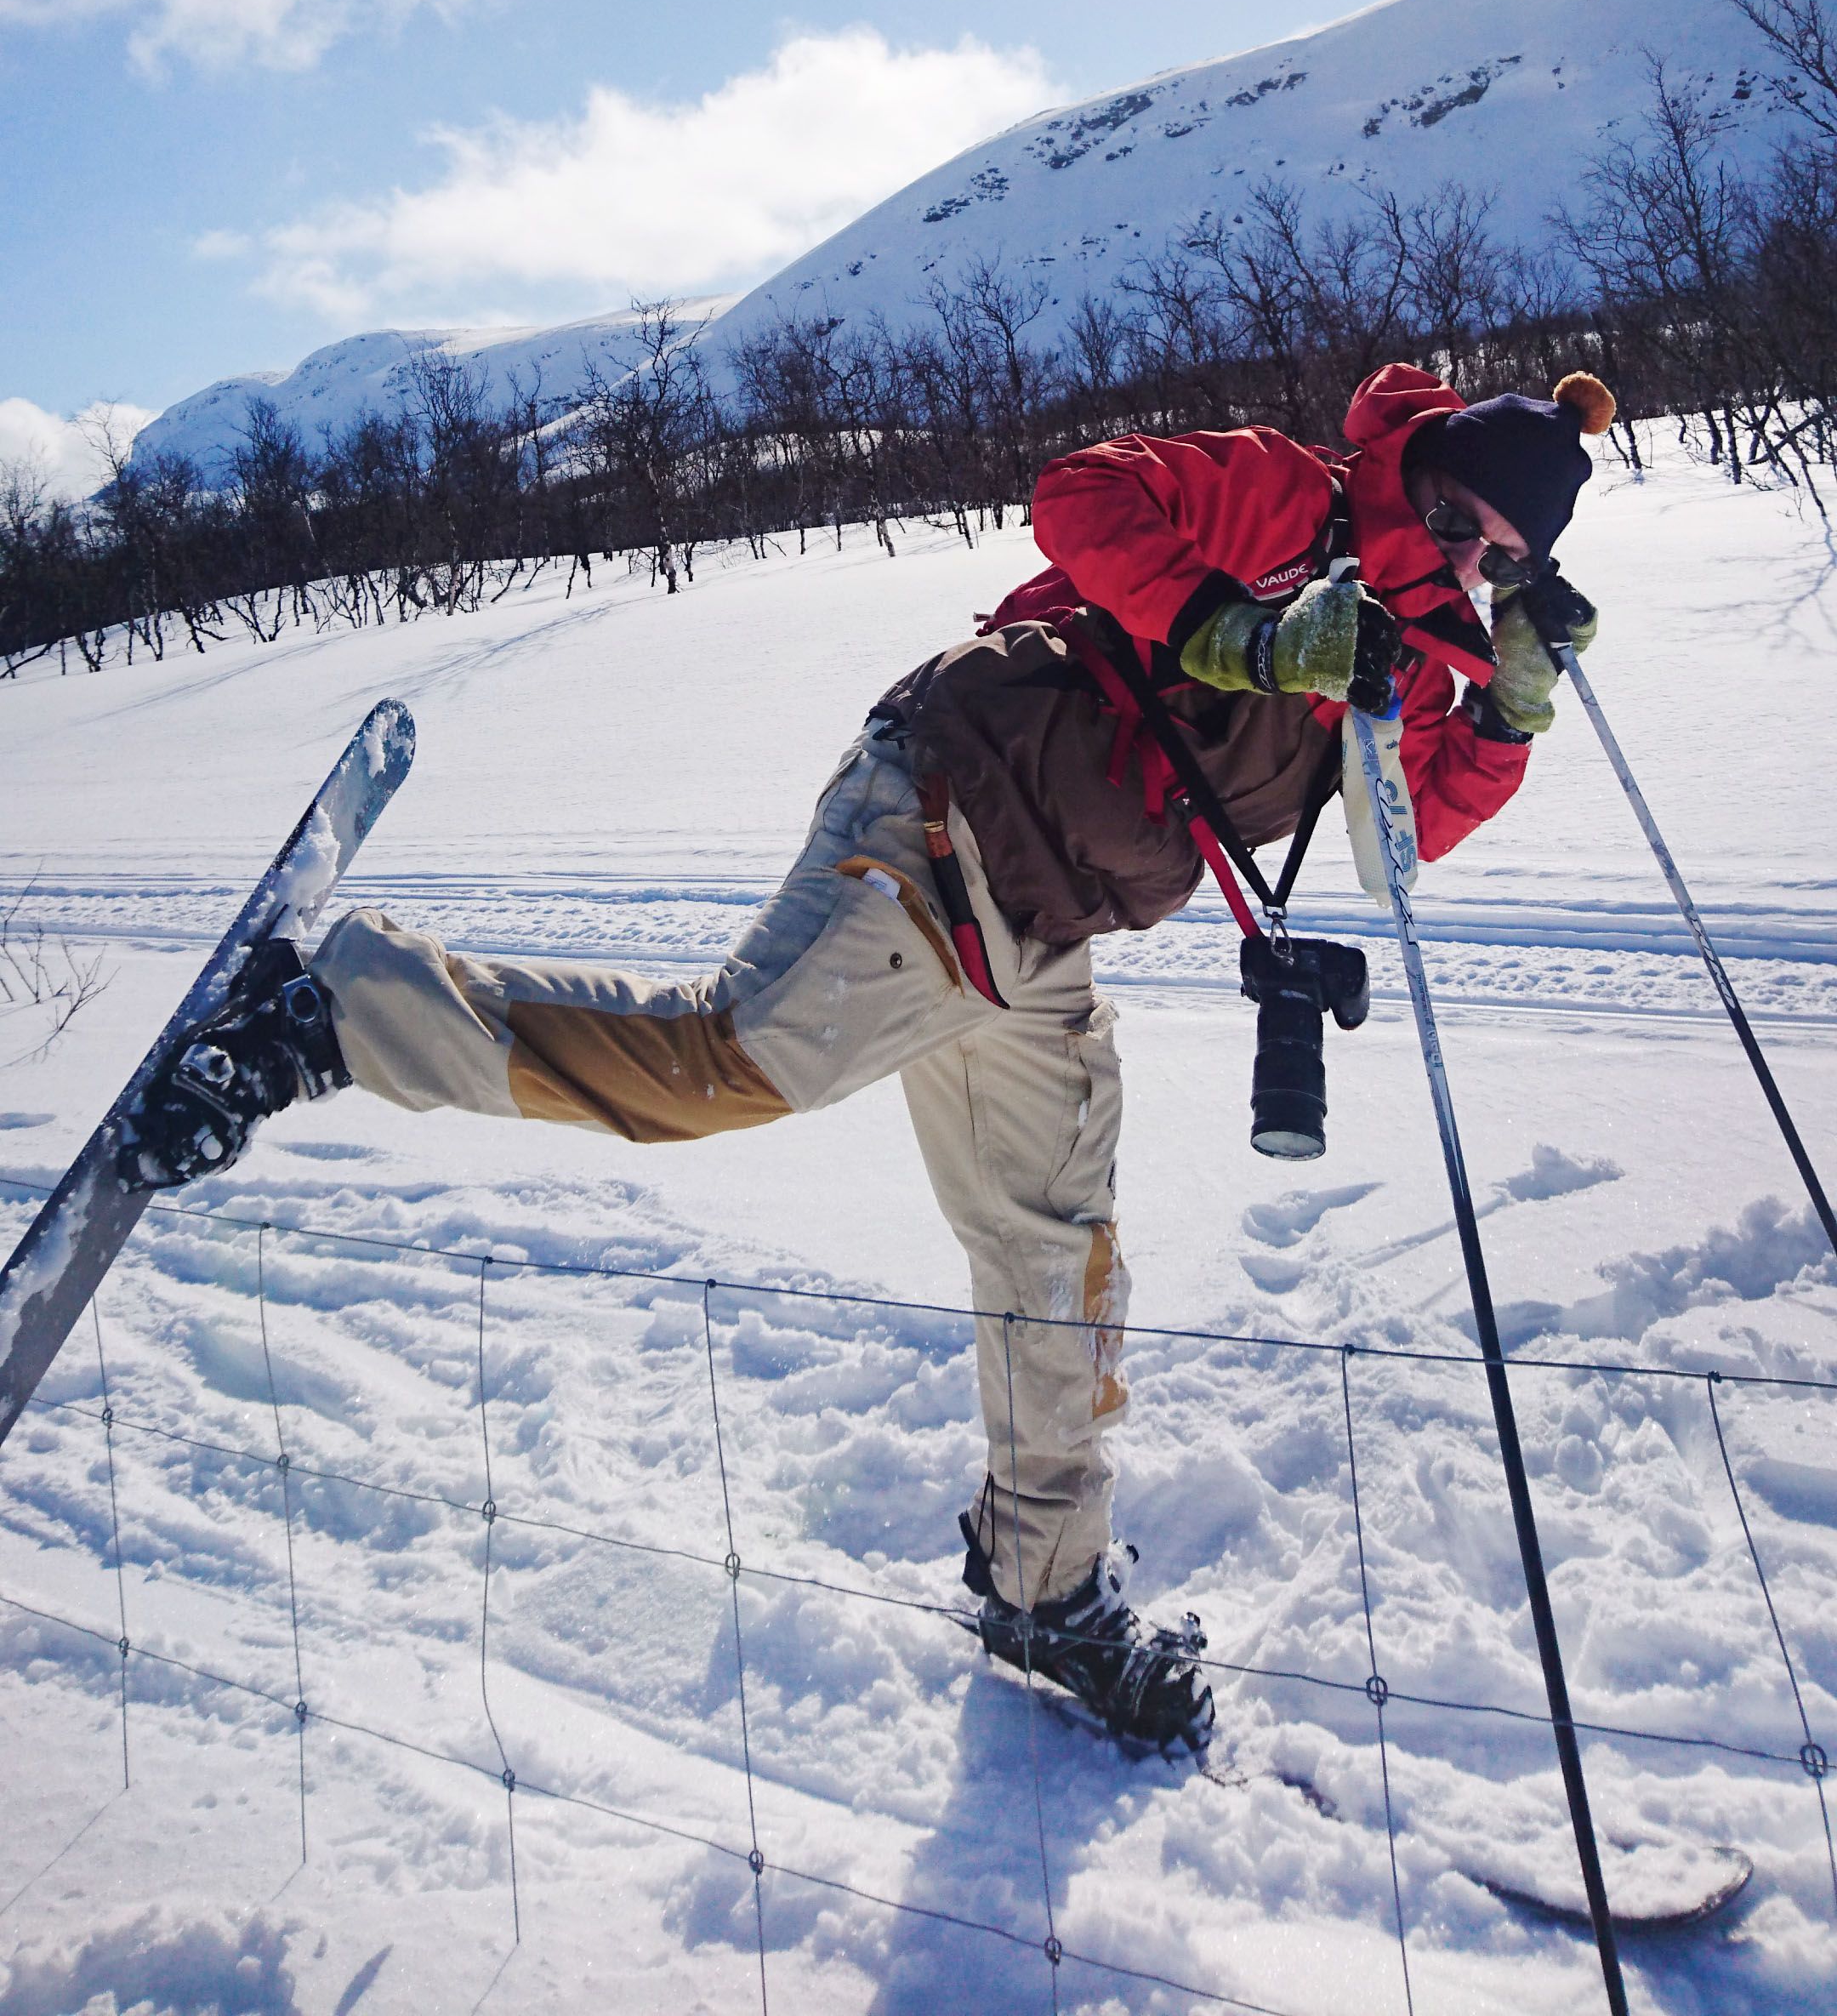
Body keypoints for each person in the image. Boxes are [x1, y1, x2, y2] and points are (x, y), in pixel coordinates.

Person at [137, 361, 1615, 1756]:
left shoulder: (1420, 660)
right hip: (943, 815)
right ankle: (330, 1010)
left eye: (1492, 554)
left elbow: (1391, 844)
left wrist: (1510, 708)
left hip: (1041, 930)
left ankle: (1046, 1594)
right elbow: (1080, 496)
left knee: (1057, 1256)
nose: (1461, 555)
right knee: (720, 1064)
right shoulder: (1281, 493)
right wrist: (1229, 628)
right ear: (1416, 461)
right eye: (1452, 513)